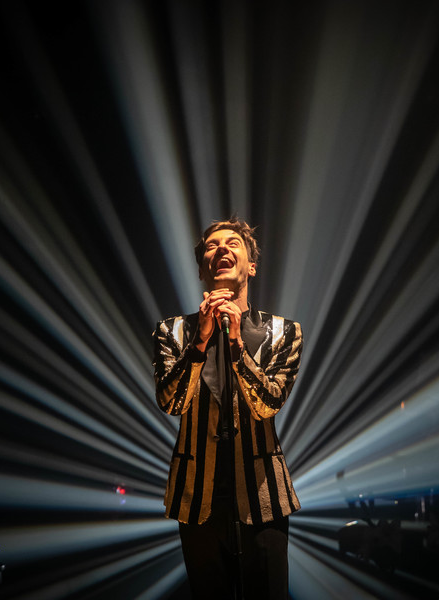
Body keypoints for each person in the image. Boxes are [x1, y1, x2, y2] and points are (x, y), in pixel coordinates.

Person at [153, 216, 303, 599]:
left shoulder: (283, 332)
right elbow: (171, 402)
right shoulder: (173, 331)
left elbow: (269, 404)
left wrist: (236, 345)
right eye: (211, 245)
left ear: (251, 266)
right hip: (197, 498)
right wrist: (200, 342)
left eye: (233, 243)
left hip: (263, 498)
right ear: (202, 270)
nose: (221, 248)